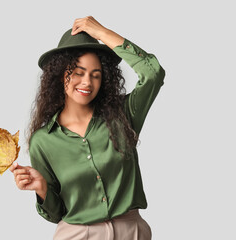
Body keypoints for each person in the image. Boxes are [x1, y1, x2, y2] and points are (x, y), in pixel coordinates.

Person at [10, 16, 165, 240]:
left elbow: (153, 74)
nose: (87, 82)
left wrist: (102, 33)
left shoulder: (123, 114)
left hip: (131, 232)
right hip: (77, 234)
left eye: (96, 75)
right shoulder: (43, 141)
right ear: (60, 75)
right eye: (78, 72)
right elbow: (56, 214)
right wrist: (42, 188)